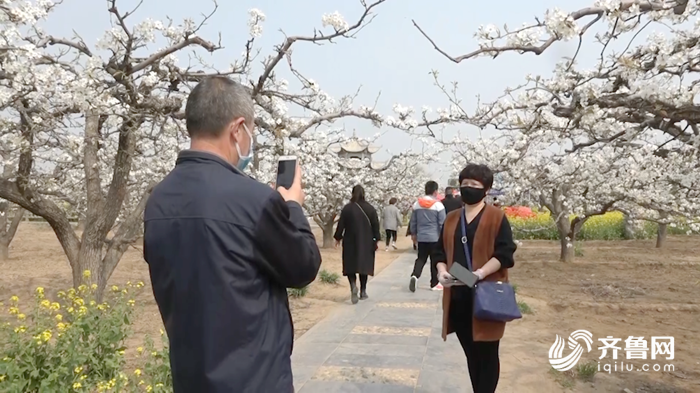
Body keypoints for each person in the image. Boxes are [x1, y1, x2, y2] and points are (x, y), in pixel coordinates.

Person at [143, 77, 322, 393]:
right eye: (251, 132)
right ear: (238, 129)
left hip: (191, 378)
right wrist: (291, 207)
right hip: (254, 380)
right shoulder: (253, 201)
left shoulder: (159, 199)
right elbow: (303, 267)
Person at [434, 163, 517, 393]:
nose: (468, 188)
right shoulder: (451, 218)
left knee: (488, 355)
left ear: (486, 189)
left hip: (487, 295)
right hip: (459, 296)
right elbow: (439, 252)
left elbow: (505, 253)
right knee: (471, 353)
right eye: (465, 184)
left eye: (474, 184)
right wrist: (441, 272)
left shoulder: (496, 217)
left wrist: (479, 273)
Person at [334, 185, 381, 304]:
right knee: (363, 266)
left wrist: (338, 237)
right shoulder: (370, 209)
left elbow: (341, 225)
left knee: (351, 265)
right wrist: (376, 239)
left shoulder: (347, 208)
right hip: (366, 242)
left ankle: (353, 286)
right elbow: (376, 225)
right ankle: (363, 291)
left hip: (350, 241)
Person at [408, 180, 446, 292]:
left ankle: (415, 275)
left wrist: (414, 234)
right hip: (435, 237)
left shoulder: (417, 205)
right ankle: (434, 283)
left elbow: (413, 222)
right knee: (435, 260)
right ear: (435, 191)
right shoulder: (438, 205)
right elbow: (442, 223)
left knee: (421, 258)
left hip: (422, 237)